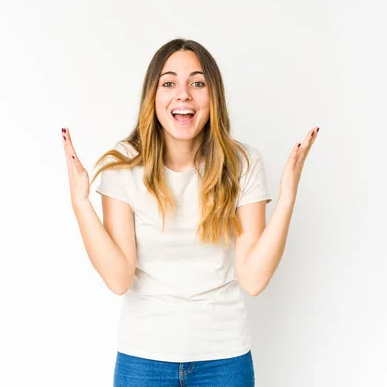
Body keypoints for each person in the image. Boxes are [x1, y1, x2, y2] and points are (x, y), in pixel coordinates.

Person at [61, 38, 318, 386]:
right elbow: (119, 278)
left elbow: (253, 279)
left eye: (197, 83)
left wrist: (287, 197)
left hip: (224, 359)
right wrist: (81, 202)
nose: (183, 94)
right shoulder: (124, 167)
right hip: (144, 359)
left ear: (214, 97)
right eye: (169, 83)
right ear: (153, 97)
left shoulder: (242, 165)